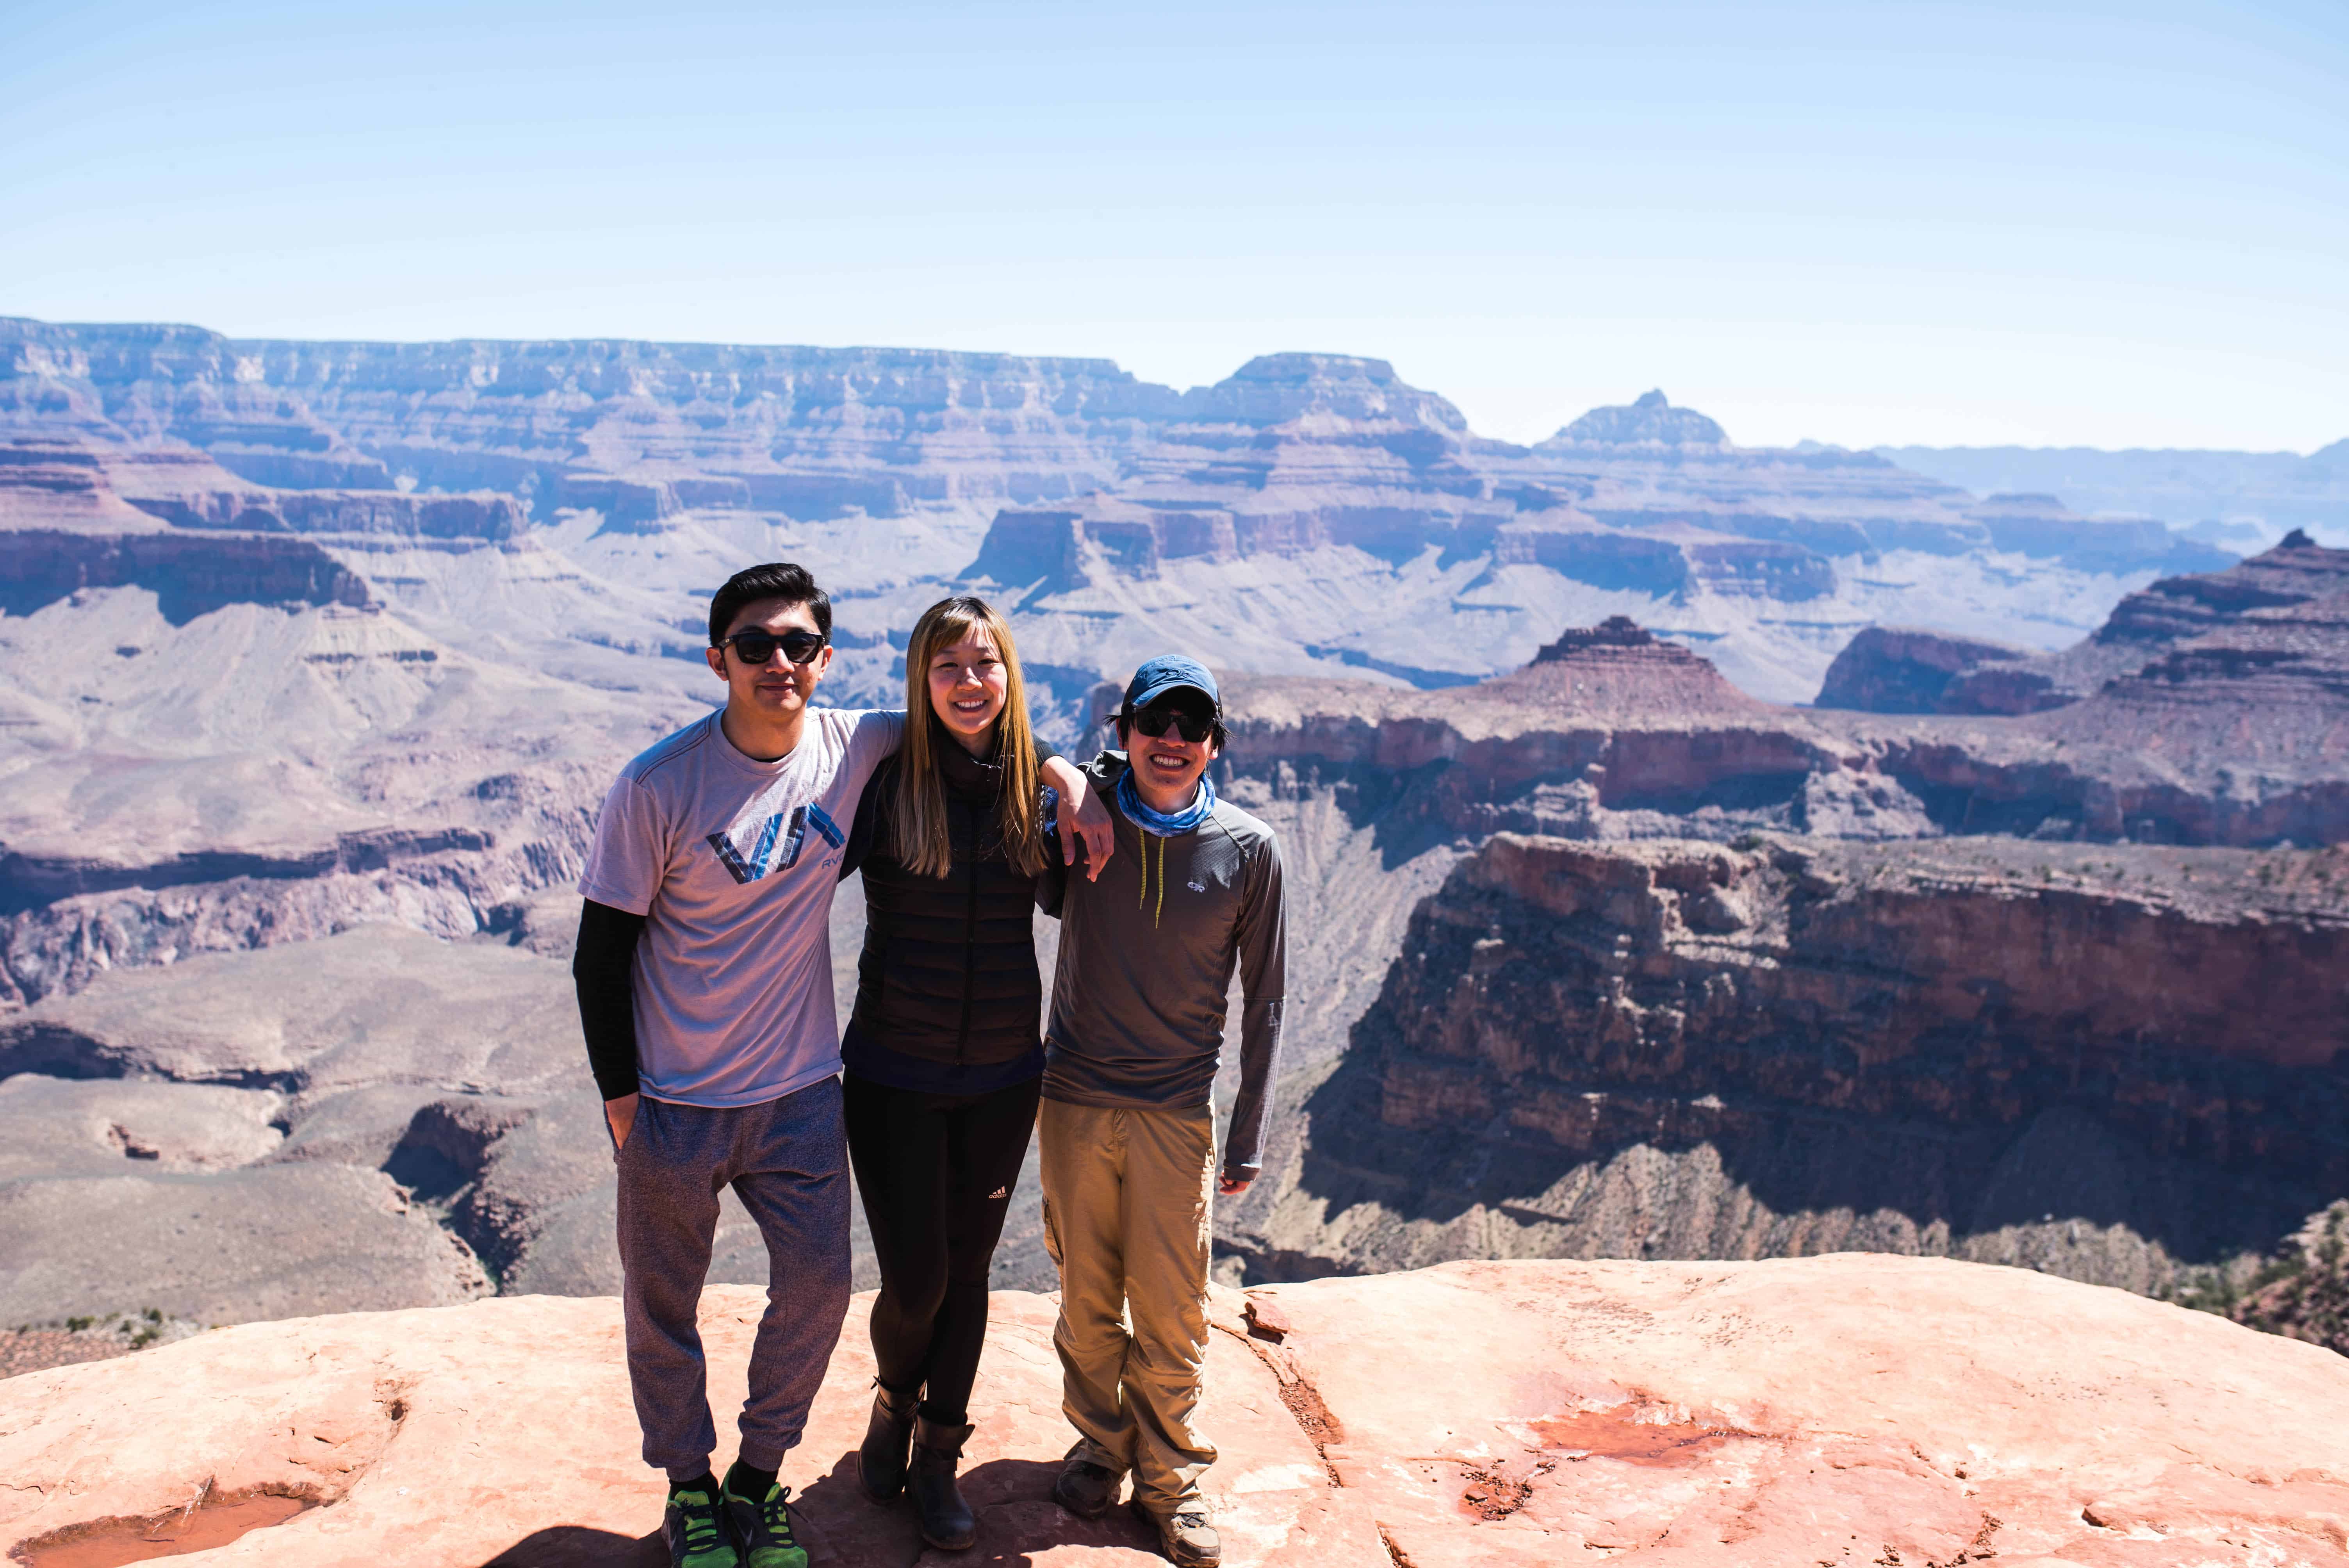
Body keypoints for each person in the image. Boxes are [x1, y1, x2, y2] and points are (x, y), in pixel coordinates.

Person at [570, 563, 1107, 1568]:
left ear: (824, 658)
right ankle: (691, 1488)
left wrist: (1072, 773)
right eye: (755, 644)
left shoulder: (876, 750)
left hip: (829, 1089)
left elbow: (1005, 762)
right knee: (674, 1305)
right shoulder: (678, 783)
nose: (778, 662)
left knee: (833, 1289)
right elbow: (600, 953)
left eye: (798, 646)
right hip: (707, 1097)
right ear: (717, 655)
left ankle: (775, 1477)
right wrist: (620, 1101)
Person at [835, 594, 1077, 1551]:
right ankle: (893, 1402)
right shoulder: (887, 786)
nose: (969, 683)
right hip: (893, 1070)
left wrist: (1074, 781)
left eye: (984, 664)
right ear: (918, 681)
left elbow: (1087, 891)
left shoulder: (1035, 792)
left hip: (1002, 1075)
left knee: (969, 1272)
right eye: (947, 667)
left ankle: (938, 1454)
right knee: (916, 1279)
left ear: (1009, 675)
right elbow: (790, 883)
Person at [1036, 655, 1288, 1568]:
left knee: (1174, 1308)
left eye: (1192, 726)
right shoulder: (1075, 824)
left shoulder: (1248, 848)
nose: (1172, 741)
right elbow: (992, 762)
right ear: (1124, 732)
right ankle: (1100, 1448)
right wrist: (1073, 779)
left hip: (1175, 1112)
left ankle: (1171, 1484)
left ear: (1214, 741)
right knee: (1086, 1295)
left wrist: (1248, 1132)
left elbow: (1265, 1000)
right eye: (1155, 723)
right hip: (1070, 1099)